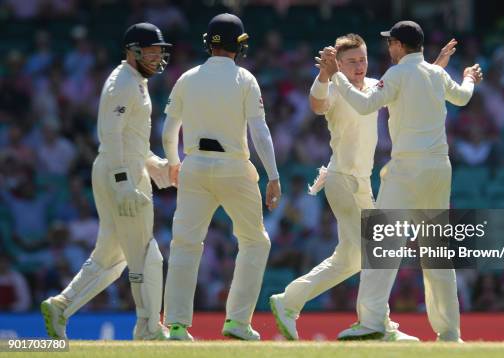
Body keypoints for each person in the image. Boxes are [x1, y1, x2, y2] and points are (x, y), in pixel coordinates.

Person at [270, 33, 457, 341]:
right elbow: (317, 105)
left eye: (363, 60)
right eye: (351, 62)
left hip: (362, 184)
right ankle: (378, 325)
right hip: (341, 179)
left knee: (350, 259)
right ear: (339, 64)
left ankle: (289, 301)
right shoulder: (335, 88)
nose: (359, 66)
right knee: (379, 249)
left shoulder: (374, 85)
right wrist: (324, 73)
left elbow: (413, 85)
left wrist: (435, 66)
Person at [318, 20, 482, 342]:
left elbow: (365, 105)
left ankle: (372, 321)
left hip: (408, 169)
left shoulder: (395, 75)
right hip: (439, 169)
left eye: (390, 43)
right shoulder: (434, 74)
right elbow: (462, 97)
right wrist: (466, 76)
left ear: (398, 45)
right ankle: (450, 333)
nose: (387, 49)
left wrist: (336, 74)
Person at [40, 23, 173, 340]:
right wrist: (124, 180)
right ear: (132, 51)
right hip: (120, 172)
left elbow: (130, 139)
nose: (156, 59)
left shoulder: (135, 81)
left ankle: (62, 305)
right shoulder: (122, 83)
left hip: (121, 168)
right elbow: (109, 134)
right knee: (145, 252)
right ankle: (149, 327)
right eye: (150, 52)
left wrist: (155, 165)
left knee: (112, 256)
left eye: (159, 53)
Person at [161, 13, 281, 341]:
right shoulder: (245, 79)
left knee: (185, 244)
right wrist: (273, 175)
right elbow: (259, 130)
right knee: (255, 241)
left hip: (194, 165)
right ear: (239, 46)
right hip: (234, 168)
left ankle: (175, 325)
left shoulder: (187, 78)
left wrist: (174, 162)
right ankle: (237, 322)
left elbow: (170, 130)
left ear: (208, 43)